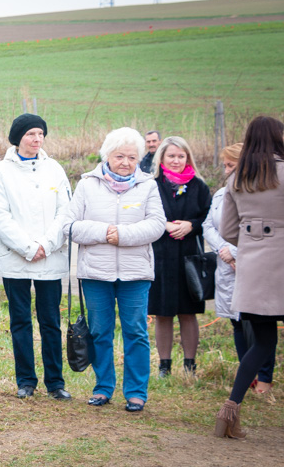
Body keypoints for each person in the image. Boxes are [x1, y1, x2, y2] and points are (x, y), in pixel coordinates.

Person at [63, 128, 165, 411]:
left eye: (132, 157)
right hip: (96, 272)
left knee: (135, 332)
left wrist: (122, 235)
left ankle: (136, 392)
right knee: (99, 332)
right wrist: (103, 231)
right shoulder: (87, 184)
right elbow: (70, 226)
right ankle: (103, 387)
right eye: (120, 156)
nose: (126, 162)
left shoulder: (148, 186)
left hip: (135, 274)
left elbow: (157, 225)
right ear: (107, 156)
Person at [0, 114, 72, 400]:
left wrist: (46, 245)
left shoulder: (55, 169)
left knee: (50, 320)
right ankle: (26, 380)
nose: (37, 140)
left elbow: (65, 212)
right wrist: (27, 247)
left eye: (40, 134)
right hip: (15, 259)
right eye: (31, 134)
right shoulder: (0, 172)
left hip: (50, 257)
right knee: (20, 320)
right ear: (18, 137)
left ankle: (55, 382)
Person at [215, 116, 284, 438]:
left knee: (263, 342)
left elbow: (227, 230)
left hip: (255, 268)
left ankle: (229, 410)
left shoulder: (237, 178)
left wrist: (256, 242)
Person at [204, 143, 276, 396]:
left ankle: (265, 378)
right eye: (225, 166)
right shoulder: (222, 193)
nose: (227, 171)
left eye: (231, 166)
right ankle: (246, 377)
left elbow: (260, 229)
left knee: (261, 327)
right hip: (226, 264)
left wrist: (234, 251)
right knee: (237, 324)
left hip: (251, 265)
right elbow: (210, 227)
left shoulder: (260, 192)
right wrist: (223, 250)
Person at [147, 136, 212, 378]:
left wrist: (191, 225)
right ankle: (164, 365)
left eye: (181, 156)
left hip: (189, 258)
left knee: (188, 312)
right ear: (162, 158)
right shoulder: (152, 185)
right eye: (171, 156)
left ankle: (190, 365)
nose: (176, 160)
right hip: (161, 255)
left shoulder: (199, 186)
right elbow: (143, 213)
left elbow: (209, 218)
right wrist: (162, 224)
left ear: (188, 158)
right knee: (163, 313)